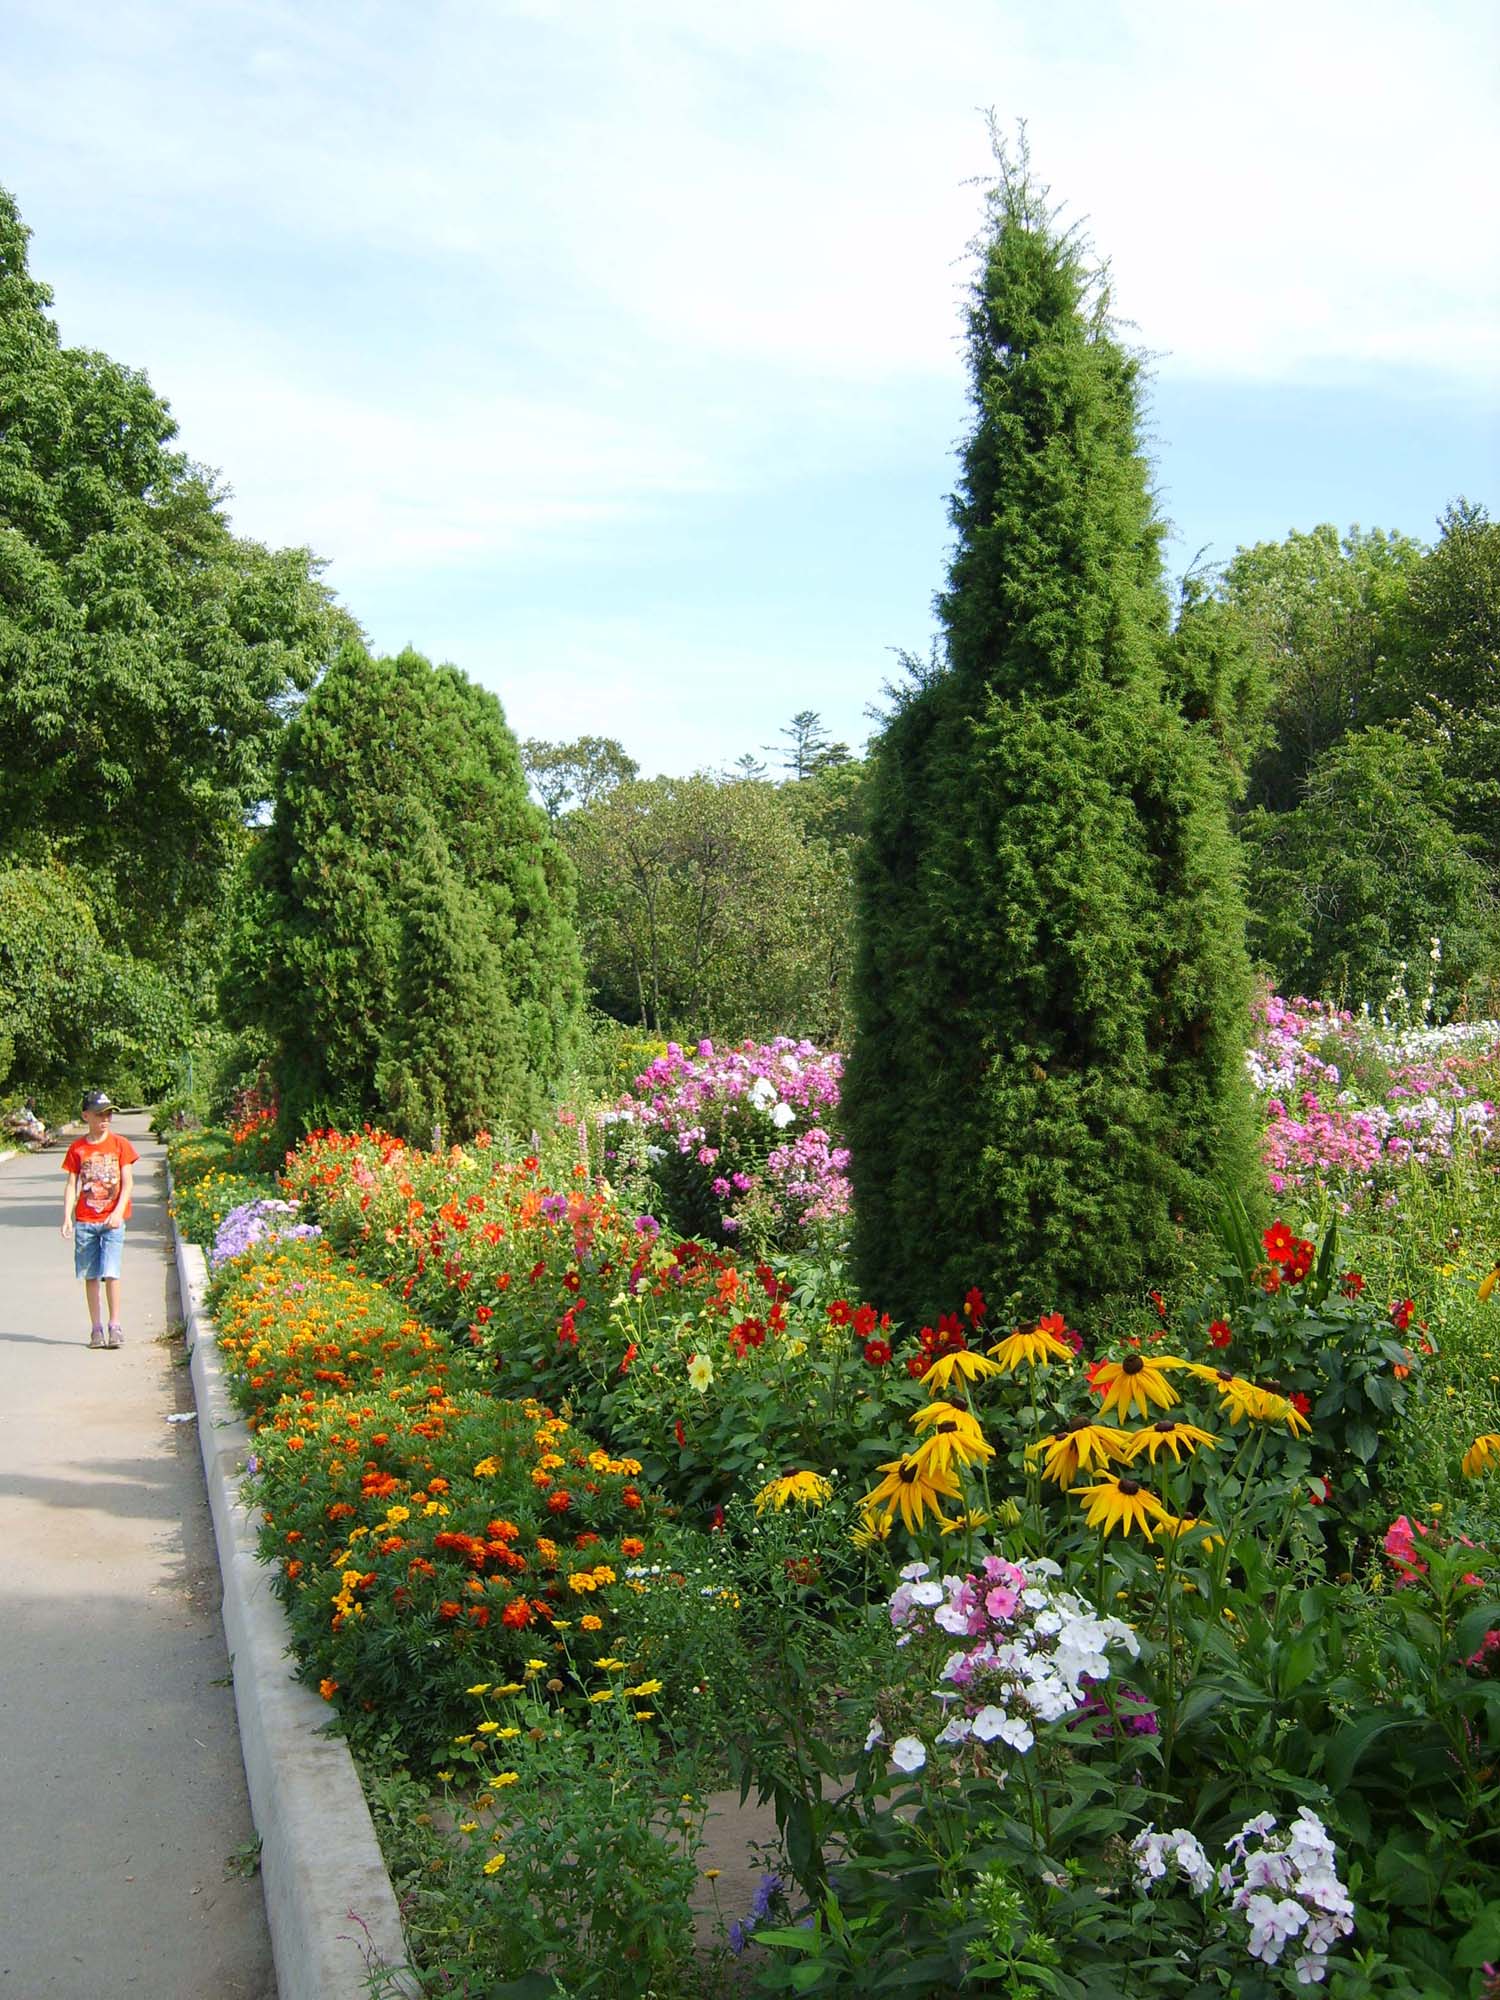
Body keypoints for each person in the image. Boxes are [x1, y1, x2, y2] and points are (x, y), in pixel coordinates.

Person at [61, 1090, 139, 1349]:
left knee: (112, 1273)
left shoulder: (120, 1145)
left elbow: (127, 1182)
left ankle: (114, 1325)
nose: (105, 1119)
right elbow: (72, 1184)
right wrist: (67, 1217)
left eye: (108, 1114)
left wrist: (118, 1212)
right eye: (99, 1114)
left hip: (112, 1222)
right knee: (91, 1275)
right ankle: (96, 1329)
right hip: (85, 1221)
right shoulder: (78, 1148)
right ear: (86, 1116)